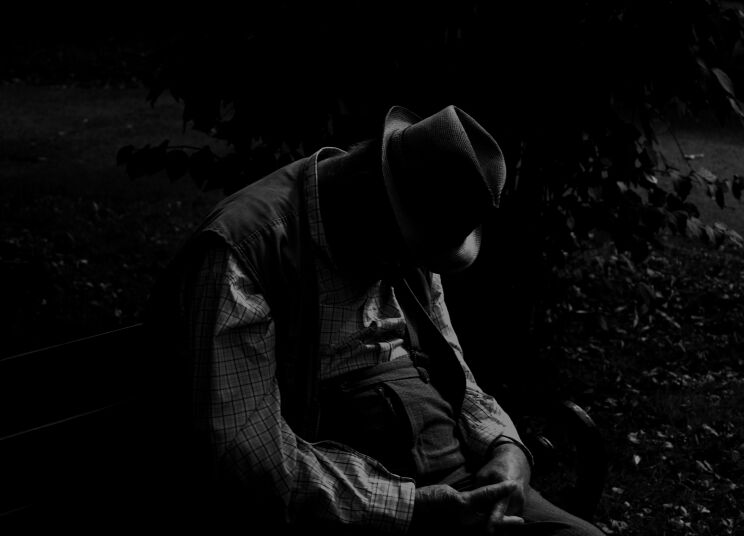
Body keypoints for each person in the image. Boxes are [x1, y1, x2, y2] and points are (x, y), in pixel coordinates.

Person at [147, 105, 604, 536]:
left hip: (460, 483)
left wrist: (505, 446)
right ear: (370, 189)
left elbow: (455, 371)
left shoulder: (409, 229)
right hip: (362, 509)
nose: (407, 267)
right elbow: (250, 459)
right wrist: (409, 510)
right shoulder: (246, 254)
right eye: (404, 248)